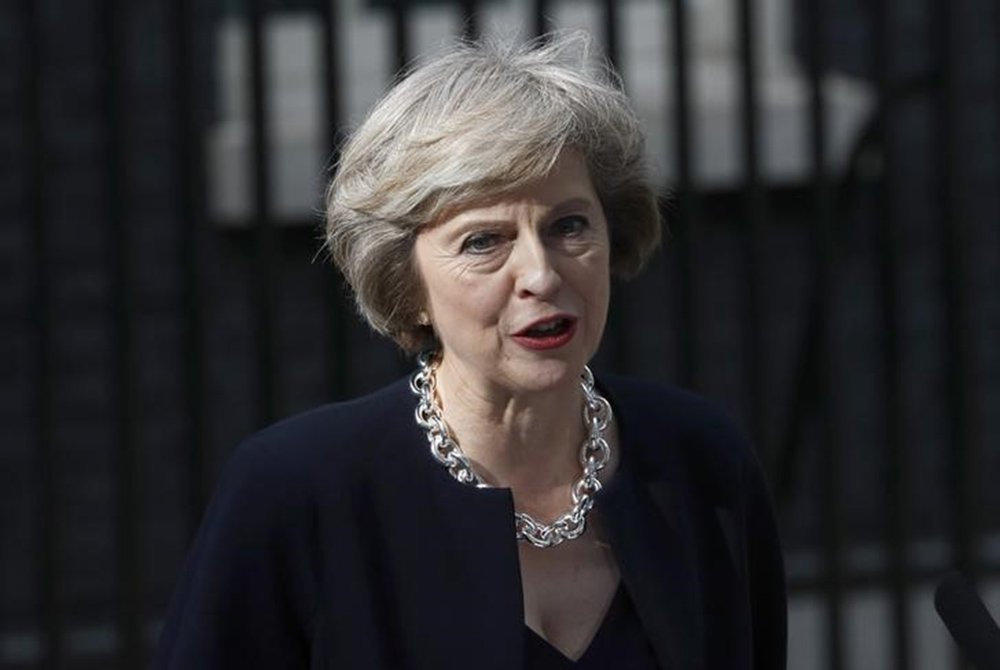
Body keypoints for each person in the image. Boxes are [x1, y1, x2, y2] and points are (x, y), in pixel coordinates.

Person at [153, 31, 786, 669]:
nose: (540, 274)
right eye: (484, 241)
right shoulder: (294, 493)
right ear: (409, 285)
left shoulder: (701, 462)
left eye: (569, 225)